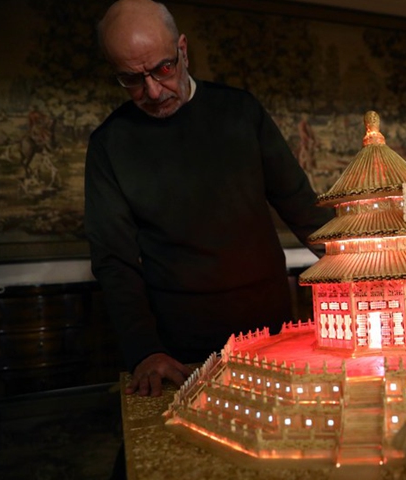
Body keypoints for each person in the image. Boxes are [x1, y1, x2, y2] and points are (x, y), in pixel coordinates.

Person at [85, 0, 332, 399]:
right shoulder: (108, 145)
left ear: (183, 50)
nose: (151, 91)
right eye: (132, 79)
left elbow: (302, 208)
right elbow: (114, 261)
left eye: (163, 69)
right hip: (179, 346)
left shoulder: (240, 111)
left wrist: (363, 273)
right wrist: (145, 350)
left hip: (270, 327)